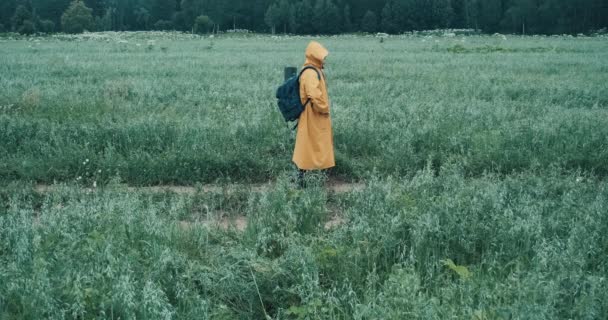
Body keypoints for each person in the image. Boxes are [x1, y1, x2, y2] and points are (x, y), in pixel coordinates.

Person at [293, 41, 335, 187]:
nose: (324, 59)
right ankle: (308, 178)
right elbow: (314, 96)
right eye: (322, 56)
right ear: (315, 56)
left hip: (314, 116)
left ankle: (313, 177)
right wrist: (324, 109)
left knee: (312, 146)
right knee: (311, 146)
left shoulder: (313, 70)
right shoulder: (311, 72)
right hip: (314, 116)